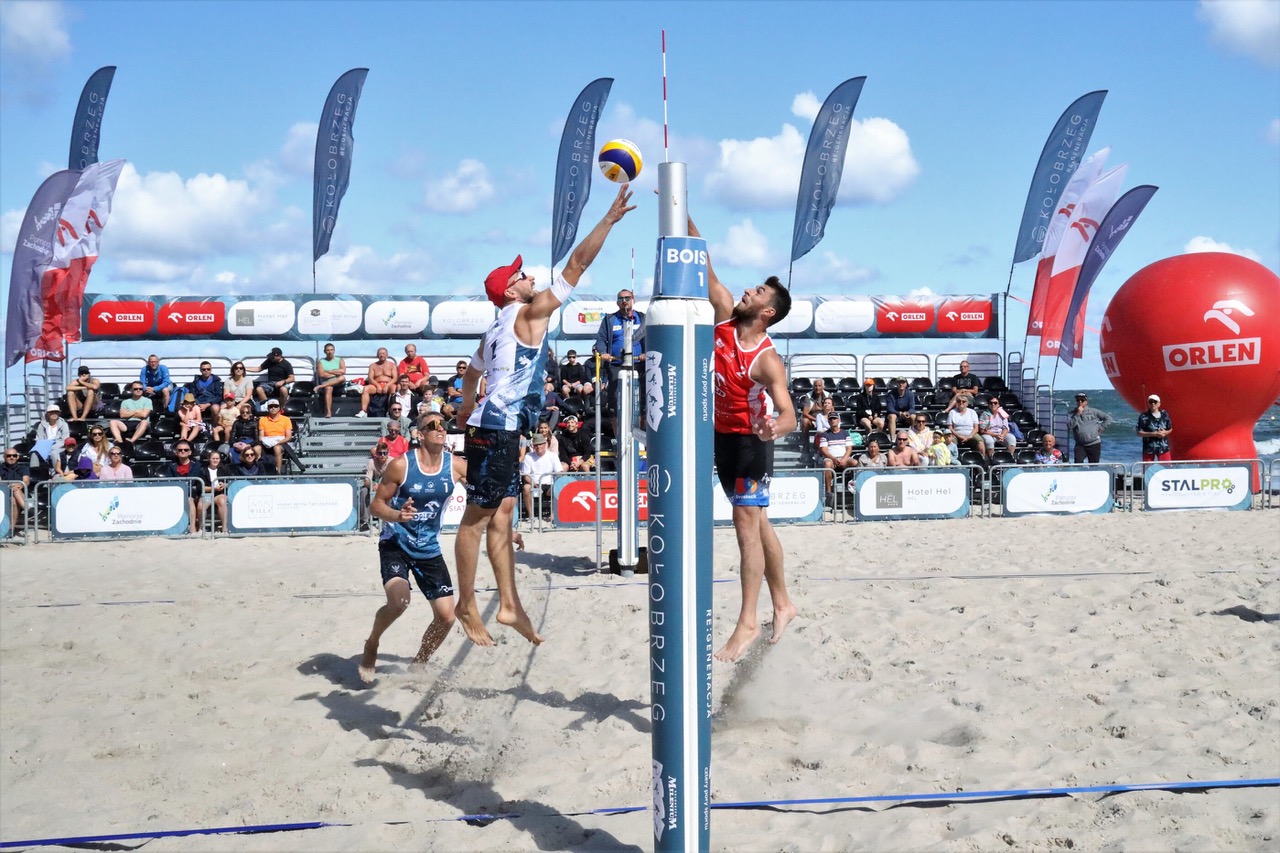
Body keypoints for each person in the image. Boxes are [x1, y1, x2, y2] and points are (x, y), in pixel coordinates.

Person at [454, 183, 634, 647]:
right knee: (475, 521)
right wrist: (608, 221)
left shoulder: (493, 329)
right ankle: (466, 604)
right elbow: (576, 265)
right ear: (509, 290)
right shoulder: (528, 314)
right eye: (521, 274)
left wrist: (467, 410)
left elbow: (471, 377)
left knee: (503, 513)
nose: (530, 275)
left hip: (495, 427)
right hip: (497, 429)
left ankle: (509, 605)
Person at [688, 213, 798, 663]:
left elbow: (789, 415)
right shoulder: (722, 317)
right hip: (721, 439)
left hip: (752, 443)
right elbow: (703, 263)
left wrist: (775, 427)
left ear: (767, 313)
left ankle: (748, 621)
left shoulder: (766, 359)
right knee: (759, 523)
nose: (749, 291)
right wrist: (679, 208)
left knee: (745, 525)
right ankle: (784, 603)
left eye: (759, 292)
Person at [360, 413, 466, 683]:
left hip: (428, 547)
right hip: (396, 541)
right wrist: (398, 515)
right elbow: (376, 506)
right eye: (433, 425)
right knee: (399, 602)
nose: (440, 428)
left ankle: (419, 663)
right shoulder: (401, 465)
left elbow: (485, 499)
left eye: (444, 425)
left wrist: (506, 528)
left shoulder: (456, 465)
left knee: (447, 617)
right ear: (419, 434)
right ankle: (372, 643)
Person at [594, 288, 646, 437]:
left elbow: (651, 337)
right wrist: (603, 352)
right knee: (616, 404)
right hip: (616, 366)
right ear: (617, 302)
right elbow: (600, 340)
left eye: (627, 298)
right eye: (621, 299)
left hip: (639, 365)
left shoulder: (642, 318)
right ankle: (619, 441)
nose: (624, 301)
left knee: (640, 403)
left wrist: (646, 353)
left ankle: (640, 440)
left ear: (633, 299)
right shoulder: (609, 320)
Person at [163, 440, 205, 534]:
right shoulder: (171, 465)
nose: (183, 451)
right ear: (176, 452)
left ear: (190, 452)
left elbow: (193, 481)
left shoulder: (196, 465)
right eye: (180, 450)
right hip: (176, 492)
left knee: (189, 500)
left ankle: (192, 528)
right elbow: (169, 480)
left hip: (191, 491)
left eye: (185, 450)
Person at [520, 432, 563, 523]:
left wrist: (556, 482)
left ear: (545, 444)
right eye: (536, 445)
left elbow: (559, 473)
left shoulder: (553, 456)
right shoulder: (528, 456)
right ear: (533, 446)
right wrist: (534, 484)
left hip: (549, 484)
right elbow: (526, 475)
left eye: (540, 444)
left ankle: (552, 515)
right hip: (534, 483)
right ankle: (531, 516)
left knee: (558, 487)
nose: (538, 447)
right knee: (526, 488)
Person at [816, 412, 856, 496]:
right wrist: (834, 459)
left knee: (855, 463)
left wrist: (844, 459)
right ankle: (828, 491)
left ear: (838, 420)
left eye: (834, 418)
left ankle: (852, 485)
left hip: (844, 458)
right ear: (828, 421)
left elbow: (849, 448)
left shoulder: (845, 433)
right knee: (827, 464)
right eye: (831, 419)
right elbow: (823, 450)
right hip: (831, 459)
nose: (833, 420)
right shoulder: (825, 435)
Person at [1067, 392, 1114, 463]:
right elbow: (1070, 426)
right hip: (1080, 445)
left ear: (1086, 401)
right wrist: (1078, 414)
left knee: (1094, 465)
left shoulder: (1093, 411)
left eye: (1082, 400)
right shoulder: (1072, 414)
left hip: (1094, 443)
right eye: (1078, 400)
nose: (1080, 402)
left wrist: (1102, 427)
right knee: (1078, 463)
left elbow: (1108, 418)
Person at [356, 347, 397, 418]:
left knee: (394, 388)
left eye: (383, 353)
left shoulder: (392, 365)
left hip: (388, 385)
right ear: (377, 355)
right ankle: (363, 411)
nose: (382, 355)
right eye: (380, 353)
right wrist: (377, 385)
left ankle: (389, 411)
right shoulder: (373, 366)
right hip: (376, 385)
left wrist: (387, 385)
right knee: (366, 389)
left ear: (387, 355)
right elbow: (370, 378)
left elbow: (395, 378)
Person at [258, 399, 294, 473]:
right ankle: (257, 471)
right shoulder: (262, 420)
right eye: (271, 406)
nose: (273, 408)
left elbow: (288, 437)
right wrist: (268, 442)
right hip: (266, 443)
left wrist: (276, 442)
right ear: (268, 408)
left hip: (281, 443)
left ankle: (278, 473)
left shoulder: (286, 419)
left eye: (275, 406)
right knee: (256, 448)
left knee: (277, 448)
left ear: (279, 408)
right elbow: (261, 436)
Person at [200, 450, 230, 533]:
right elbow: (201, 487)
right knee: (201, 505)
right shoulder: (203, 470)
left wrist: (225, 485)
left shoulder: (224, 469)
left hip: (220, 493)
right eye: (213, 458)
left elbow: (230, 483)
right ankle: (201, 528)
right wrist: (213, 488)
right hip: (207, 493)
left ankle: (224, 528)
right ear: (209, 459)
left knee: (222, 501)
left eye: (217, 458)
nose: (215, 460)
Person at [1136, 393, 1173, 462]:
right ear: (1148, 404)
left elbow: (1170, 428)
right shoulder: (1144, 417)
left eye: (1155, 402)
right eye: (1151, 402)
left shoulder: (1164, 414)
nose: (1153, 404)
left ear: (1159, 404)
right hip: (1149, 447)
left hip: (1163, 447)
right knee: (1148, 467)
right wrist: (1154, 434)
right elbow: (1139, 433)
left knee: (1166, 466)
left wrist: (1165, 433)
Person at [315, 343, 347, 419]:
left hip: (339, 385)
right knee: (329, 388)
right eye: (328, 350)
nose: (330, 352)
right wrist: (336, 373)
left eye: (331, 350)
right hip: (327, 383)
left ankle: (321, 386)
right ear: (324, 351)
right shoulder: (321, 362)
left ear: (334, 350)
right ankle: (329, 412)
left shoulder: (340, 360)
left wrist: (329, 371)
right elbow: (322, 374)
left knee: (342, 378)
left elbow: (343, 371)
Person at [1, 448, 31, 522]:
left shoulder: (23, 468)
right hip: (4, 493)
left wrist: (20, 485)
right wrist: (9, 486)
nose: (12, 457)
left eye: (14, 455)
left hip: (20, 493)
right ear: (4, 457)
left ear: (17, 457)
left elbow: (26, 481)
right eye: (9, 456)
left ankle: (11, 528)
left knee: (15, 494)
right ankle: (28, 510)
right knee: (14, 499)